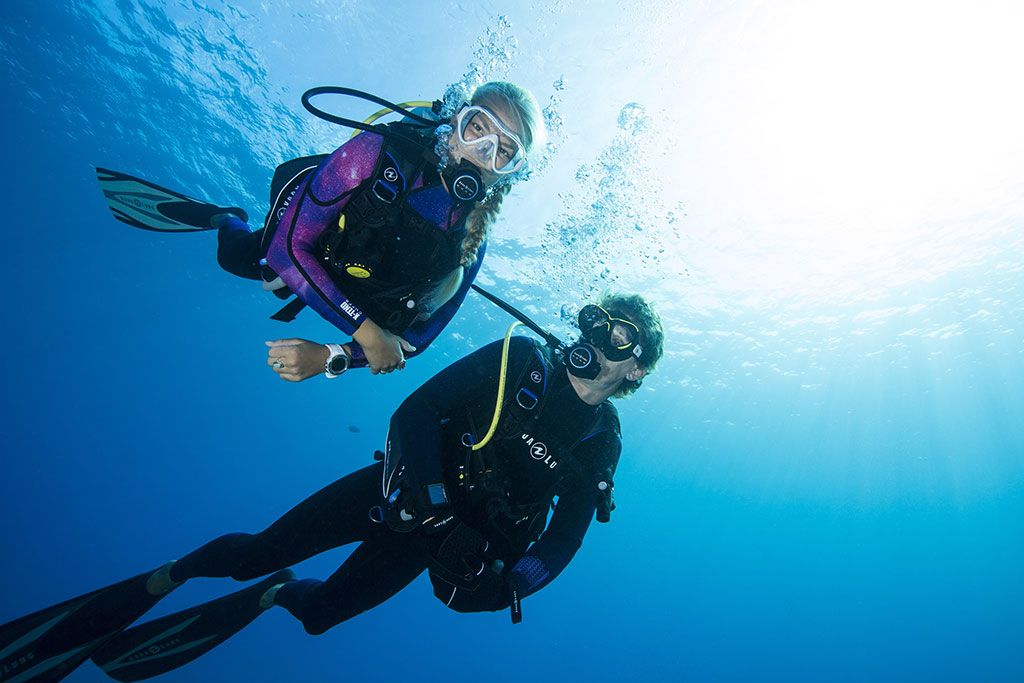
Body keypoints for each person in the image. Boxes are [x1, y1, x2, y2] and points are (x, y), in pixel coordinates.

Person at [0, 294, 663, 682]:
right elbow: (415, 413)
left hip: (428, 547)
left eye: (620, 336)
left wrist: (509, 586)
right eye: (598, 321)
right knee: (257, 548)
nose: (599, 337)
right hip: (394, 491)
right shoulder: (525, 359)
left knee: (317, 617)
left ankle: (277, 593)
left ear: (634, 370)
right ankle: (170, 575)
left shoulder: (602, 443)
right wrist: (431, 505)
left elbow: (563, 541)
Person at [97, 82, 546, 376]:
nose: (480, 153)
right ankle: (224, 217)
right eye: (478, 128)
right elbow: (287, 251)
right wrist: (366, 333)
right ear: (454, 123)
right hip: (308, 254)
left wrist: (329, 357)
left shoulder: (472, 240)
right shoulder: (377, 151)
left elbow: (411, 343)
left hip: (354, 296)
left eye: (502, 151)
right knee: (234, 259)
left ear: (508, 173)